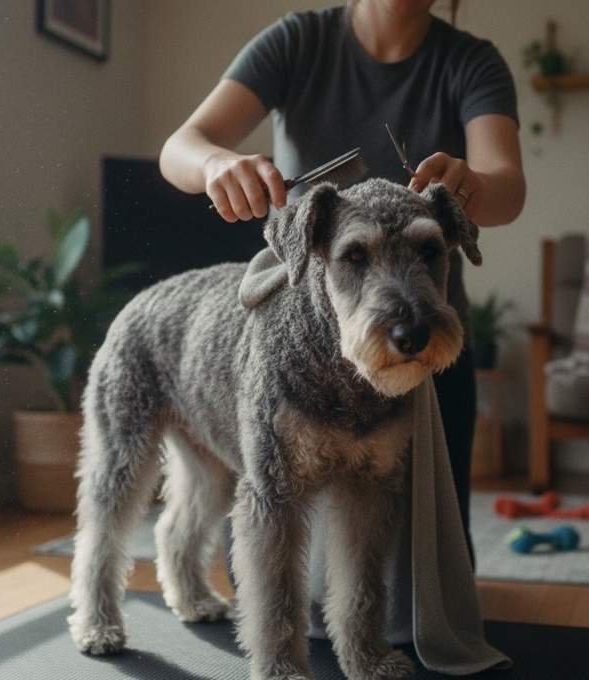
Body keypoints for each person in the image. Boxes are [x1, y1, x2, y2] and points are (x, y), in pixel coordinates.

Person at [160, 0, 525, 558]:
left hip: (427, 354)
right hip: (296, 349)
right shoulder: (296, 42)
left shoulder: (470, 62)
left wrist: (472, 183)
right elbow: (180, 147)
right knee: (274, 549)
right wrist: (214, 164)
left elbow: (508, 189)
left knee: (428, 568)